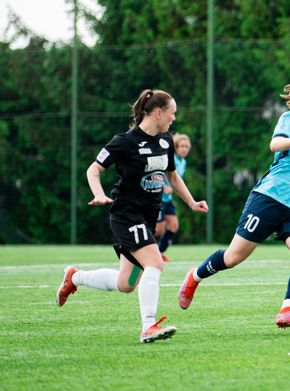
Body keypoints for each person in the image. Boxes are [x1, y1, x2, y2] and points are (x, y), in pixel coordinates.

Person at [177, 73, 290, 329]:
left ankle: (288, 309)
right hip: (270, 198)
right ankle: (194, 276)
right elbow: (275, 144)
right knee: (233, 257)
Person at [55, 89, 208, 343]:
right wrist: (99, 194)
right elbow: (93, 170)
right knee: (155, 263)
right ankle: (148, 326)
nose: (173, 119)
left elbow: (171, 176)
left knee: (126, 283)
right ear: (158, 112)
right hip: (126, 215)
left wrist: (191, 202)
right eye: (172, 113)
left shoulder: (165, 141)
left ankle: (75, 277)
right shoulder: (124, 141)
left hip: (147, 217)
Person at [155, 133, 192, 261]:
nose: (184, 149)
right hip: (158, 198)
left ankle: (159, 253)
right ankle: (143, 251)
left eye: (186, 147)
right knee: (159, 230)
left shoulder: (183, 162)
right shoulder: (171, 159)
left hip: (168, 200)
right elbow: (159, 173)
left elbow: (176, 180)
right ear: (176, 147)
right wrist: (164, 187)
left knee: (173, 226)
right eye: (182, 146)